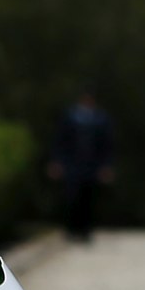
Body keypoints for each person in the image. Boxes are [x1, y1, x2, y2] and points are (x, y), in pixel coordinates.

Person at [48, 88, 114, 240]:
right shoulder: (70, 117)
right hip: (72, 165)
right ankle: (71, 230)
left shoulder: (101, 119)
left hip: (91, 166)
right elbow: (60, 141)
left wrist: (106, 166)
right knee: (71, 198)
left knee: (88, 200)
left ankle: (86, 231)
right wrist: (57, 161)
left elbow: (107, 145)